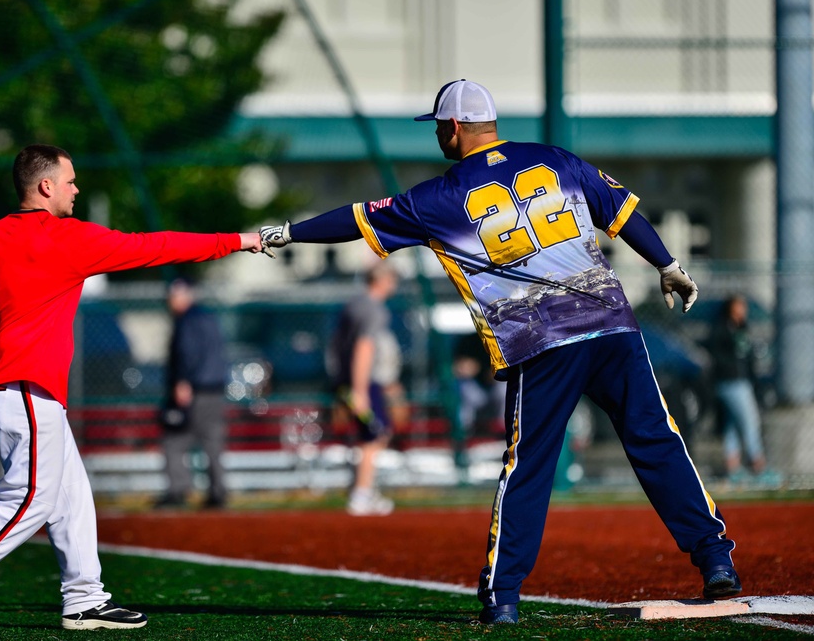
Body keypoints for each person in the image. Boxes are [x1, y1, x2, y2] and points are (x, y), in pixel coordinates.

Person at [259, 79, 739, 624]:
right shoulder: (555, 161)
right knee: (657, 438)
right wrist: (668, 264)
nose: (439, 134)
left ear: (456, 128)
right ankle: (716, 558)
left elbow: (357, 217)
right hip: (610, 324)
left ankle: (503, 595)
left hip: (540, 337)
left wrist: (288, 233)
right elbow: (622, 212)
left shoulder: (437, 197)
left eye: (440, 125)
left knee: (528, 464)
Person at [0, 144, 267, 634]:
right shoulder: (67, 238)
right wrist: (238, 240)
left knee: (73, 495)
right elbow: (158, 246)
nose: (76, 188)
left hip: (10, 389)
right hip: (25, 387)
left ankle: (84, 598)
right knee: (32, 496)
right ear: (46, 187)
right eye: (70, 180)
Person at [327, 262, 403, 516]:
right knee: (375, 434)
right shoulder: (374, 309)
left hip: (348, 380)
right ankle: (361, 493)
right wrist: (360, 390)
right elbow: (364, 348)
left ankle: (364, 490)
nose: (395, 286)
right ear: (382, 281)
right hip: (363, 381)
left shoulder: (354, 304)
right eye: (393, 280)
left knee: (369, 435)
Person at [156, 278, 229, 510]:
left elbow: (188, 353)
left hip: (194, 389)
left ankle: (178, 490)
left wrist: (182, 381)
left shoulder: (186, 321)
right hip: (214, 389)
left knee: (174, 441)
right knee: (212, 443)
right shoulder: (208, 317)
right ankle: (218, 492)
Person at [708, 294, 774, 484]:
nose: (742, 310)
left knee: (733, 425)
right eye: (739, 306)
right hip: (731, 382)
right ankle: (758, 465)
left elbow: (747, 356)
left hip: (743, 381)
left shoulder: (742, 328)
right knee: (750, 421)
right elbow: (717, 354)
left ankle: (733, 467)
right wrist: (730, 368)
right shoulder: (722, 328)